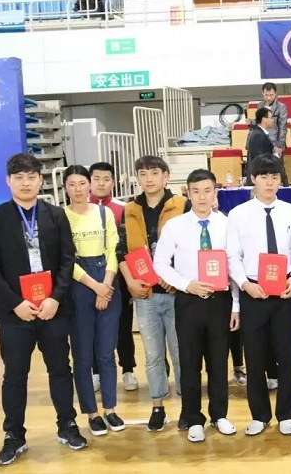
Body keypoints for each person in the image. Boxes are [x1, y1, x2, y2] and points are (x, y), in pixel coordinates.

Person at [0, 153, 87, 465]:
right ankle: (14, 435)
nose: (25, 183)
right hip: (15, 313)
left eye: (31, 177)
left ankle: (67, 425)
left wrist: (55, 297)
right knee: (15, 375)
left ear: (41, 181)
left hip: (53, 309)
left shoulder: (56, 215)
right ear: (8, 181)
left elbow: (68, 260)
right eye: (19, 178)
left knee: (60, 369)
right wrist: (16, 303)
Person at [154, 169, 240, 442]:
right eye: (196, 192)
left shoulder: (227, 224)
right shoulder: (175, 226)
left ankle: (219, 415)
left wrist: (236, 305)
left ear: (215, 193)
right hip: (189, 301)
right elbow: (159, 263)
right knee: (190, 363)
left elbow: (234, 264)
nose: (202, 197)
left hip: (220, 301)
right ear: (188, 194)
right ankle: (193, 418)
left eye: (207, 191)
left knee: (218, 361)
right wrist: (185, 284)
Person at [227, 156, 291, 436]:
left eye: (275, 177)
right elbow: (232, 256)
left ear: (281, 180)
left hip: (283, 291)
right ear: (253, 179)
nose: (270, 183)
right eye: (264, 177)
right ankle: (259, 415)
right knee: (255, 356)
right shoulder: (238, 214)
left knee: (286, 354)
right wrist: (245, 284)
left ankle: (286, 414)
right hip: (253, 290)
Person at [117, 155, 187, 430]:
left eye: (154, 173)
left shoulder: (181, 204)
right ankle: (158, 406)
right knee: (153, 355)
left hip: (176, 294)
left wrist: (177, 279)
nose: (149, 179)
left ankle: (186, 405)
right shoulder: (130, 209)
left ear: (166, 176)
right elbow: (121, 251)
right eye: (143, 174)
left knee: (181, 353)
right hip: (145, 295)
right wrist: (130, 282)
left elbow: (191, 249)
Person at [62, 165, 125, 436]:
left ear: (89, 185)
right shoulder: (61, 217)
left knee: (107, 353)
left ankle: (110, 408)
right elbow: (65, 259)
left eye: (82, 183)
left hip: (107, 282)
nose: (78, 189)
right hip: (79, 285)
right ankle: (92, 412)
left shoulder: (104, 213)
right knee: (83, 355)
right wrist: (95, 286)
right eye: (72, 184)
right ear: (65, 187)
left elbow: (113, 249)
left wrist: (106, 285)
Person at [88, 161, 138, 392]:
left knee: (123, 325)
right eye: (96, 179)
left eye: (106, 179)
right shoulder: (80, 208)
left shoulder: (123, 209)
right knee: (93, 327)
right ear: (90, 181)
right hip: (89, 279)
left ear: (113, 182)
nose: (101, 183)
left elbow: (125, 246)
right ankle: (96, 371)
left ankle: (128, 369)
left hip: (118, 277)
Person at [249, 82, 288, 156]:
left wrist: (279, 145)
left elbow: (283, 128)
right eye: (266, 95)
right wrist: (251, 122)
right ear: (262, 93)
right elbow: (259, 122)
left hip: (275, 142)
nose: (268, 98)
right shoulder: (260, 105)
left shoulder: (281, 107)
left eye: (271, 95)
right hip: (261, 140)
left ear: (276, 93)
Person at [246, 107, 276, 186]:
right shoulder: (258, 135)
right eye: (271, 118)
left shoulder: (260, 134)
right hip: (259, 177)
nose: (273, 120)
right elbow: (259, 158)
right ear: (264, 119)